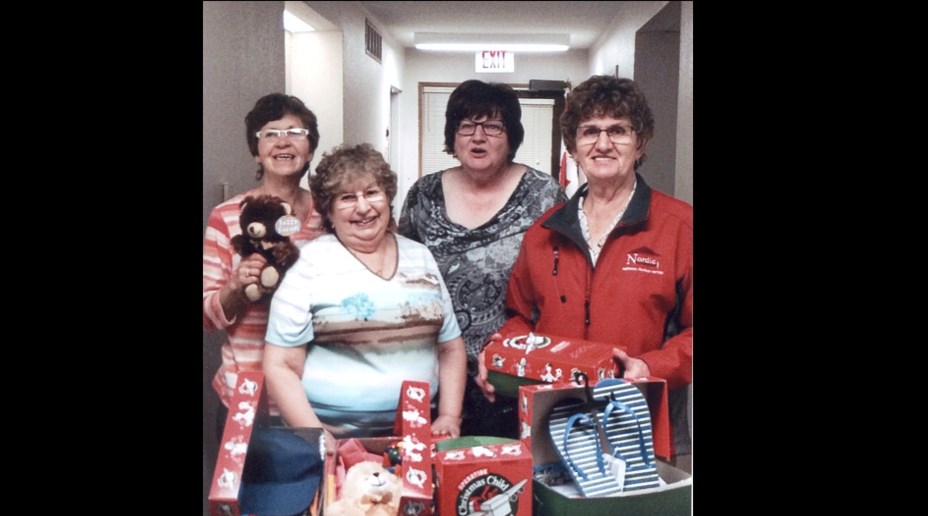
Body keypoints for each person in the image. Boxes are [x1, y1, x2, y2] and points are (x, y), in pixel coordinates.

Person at [477, 75, 693, 462]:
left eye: (618, 131)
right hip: (552, 426)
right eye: (590, 131)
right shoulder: (544, 232)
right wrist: (499, 351)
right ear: (573, 147)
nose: (603, 144)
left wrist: (650, 365)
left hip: (641, 423)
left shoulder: (679, 227)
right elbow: (519, 317)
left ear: (640, 142)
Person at [263, 143, 467, 441]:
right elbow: (280, 365)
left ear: (387, 198)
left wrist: (449, 415)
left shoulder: (420, 256)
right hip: (334, 441)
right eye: (347, 198)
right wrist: (317, 435)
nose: (363, 207)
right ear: (329, 211)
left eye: (372, 192)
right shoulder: (308, 264)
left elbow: (450, 348)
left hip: (417, 436)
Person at [399, 79, 565, 439]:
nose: (478, 137)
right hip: (433, 371)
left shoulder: (543, 195)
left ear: (511, 136)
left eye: (492, 126)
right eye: (466, 126)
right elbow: (400, 271)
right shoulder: (423, 195)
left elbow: (561, 285)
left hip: (511, 374)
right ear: (453, 135)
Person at [203, 93, 324, 441]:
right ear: (256, 151)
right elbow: (208, 316)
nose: (283, 141)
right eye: (270, 133)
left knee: (322, 494)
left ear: (310, 149)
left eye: (296, 133)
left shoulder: (330, 216)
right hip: (247, 394)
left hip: (314, 397)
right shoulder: (227, 217)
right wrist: (235, 288)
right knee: (246, 495)